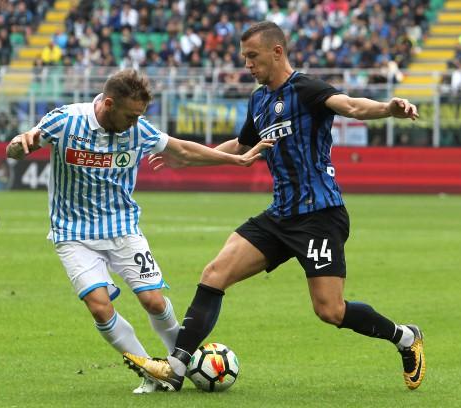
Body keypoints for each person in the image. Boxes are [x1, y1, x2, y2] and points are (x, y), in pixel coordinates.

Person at [123, 21, 426, 392]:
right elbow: (241, 145)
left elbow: (349, 105)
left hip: (319, 217)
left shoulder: (306, 88)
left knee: (330, 310)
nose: (247, 64)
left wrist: (388, 108)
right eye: (244, 57)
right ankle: (175, 367)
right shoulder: (259, 100)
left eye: (253, 56)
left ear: (277, 52)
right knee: (215, 273)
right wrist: (187, 159)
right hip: (280, 215)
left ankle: (405, 337)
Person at [5, 69, 272, 394]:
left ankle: (180, 363)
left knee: (154, 302)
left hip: (122, 229)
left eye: (139, 115)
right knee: (99, 306)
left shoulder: (138, 129)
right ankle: (154, 372)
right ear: (108, 103)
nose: (135, 122)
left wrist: (235, 160)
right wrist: (19, 146)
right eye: (130, 115)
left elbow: (183, 150)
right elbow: (19, 144)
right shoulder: (66, 121)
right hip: (72, 233)